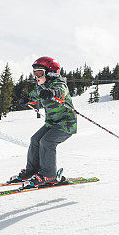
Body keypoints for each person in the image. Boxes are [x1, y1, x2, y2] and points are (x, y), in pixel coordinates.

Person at [9, 56, 77, 188]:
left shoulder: (58, 84)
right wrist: (26, 99)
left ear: (50, 73)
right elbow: (35, 94)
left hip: (66, 124)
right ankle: (32, 171)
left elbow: (61, 90)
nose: (36, 76)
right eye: (34, 73)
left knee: (47, 142)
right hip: (52, 123)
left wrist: (52, 92)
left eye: (39, 72)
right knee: (35, 139)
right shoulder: (42, 87)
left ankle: (49, 175)